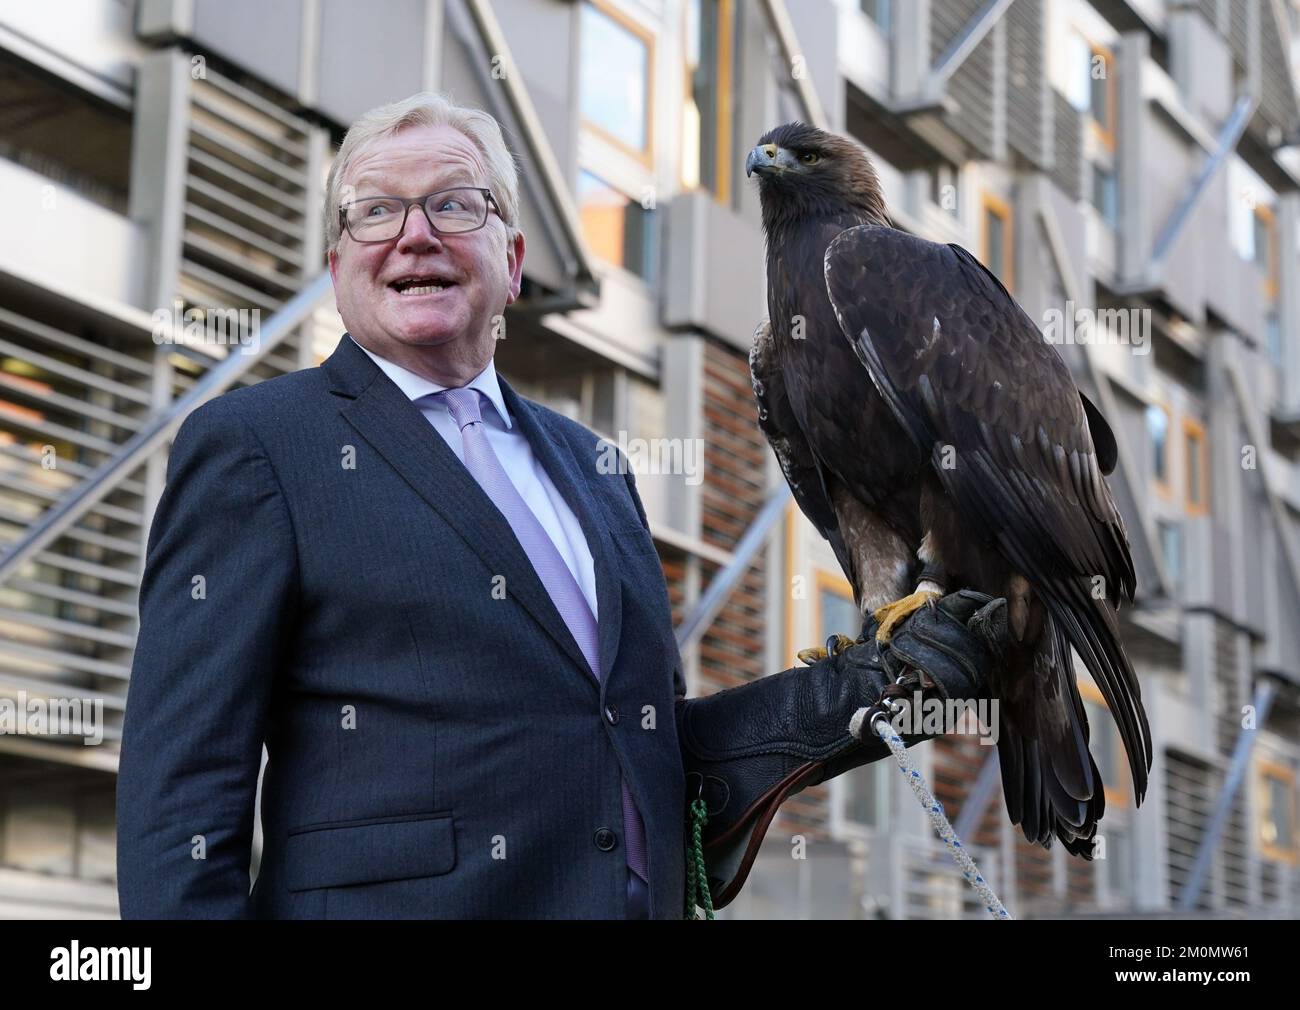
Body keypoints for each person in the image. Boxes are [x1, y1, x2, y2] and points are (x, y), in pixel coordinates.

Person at [115, 92, 1004, 920]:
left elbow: (630, 749)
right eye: (374, 211)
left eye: (455, 204)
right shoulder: (257, 445)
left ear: (511, 258)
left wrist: (841, 702)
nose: (414, 235)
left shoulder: (594, 467)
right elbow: (180, 791)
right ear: (339, 259)